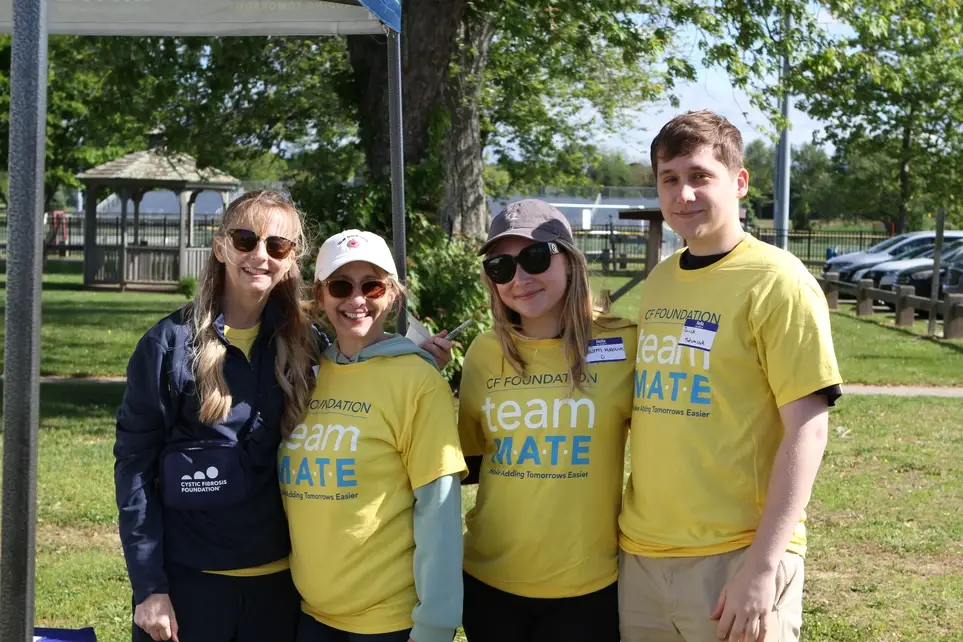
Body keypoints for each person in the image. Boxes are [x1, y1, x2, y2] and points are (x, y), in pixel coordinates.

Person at [617, 110, 843, 642]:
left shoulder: (778, 280)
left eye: (700, 176)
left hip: (736, 558)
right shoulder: (661, 280)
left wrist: (763, 566)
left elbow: (808, 429)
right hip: (643, 558)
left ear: (739, 182)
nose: (684, 194)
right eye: (669, 179)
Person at [114, 190, 321, 642]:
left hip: (281, 589)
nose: (260, 255)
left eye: (277, 246)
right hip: (190, 587)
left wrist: (411, 357)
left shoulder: (308, 346)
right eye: (246, 239)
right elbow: (134, 468)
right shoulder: (168, 345)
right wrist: (150, 588)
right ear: (221, 245)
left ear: (290, 259)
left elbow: (367, 369)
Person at [455, 200, 636, 642]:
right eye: (501, 267)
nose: (519, 278)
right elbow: (471, 463)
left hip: (589, 586)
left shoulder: (625, 344)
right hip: (490, 582)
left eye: (535, 258)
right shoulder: (483, 352)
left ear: (570, 261)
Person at [280, 229, 467, 642]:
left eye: (373, 285)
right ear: (321, 294)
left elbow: (438, 510)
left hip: (388, 622)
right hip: (311, 615)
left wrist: (436, 624)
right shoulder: (303, 373)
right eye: (341, 286)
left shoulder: (418, 381)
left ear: (394, 295)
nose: (356, 299)